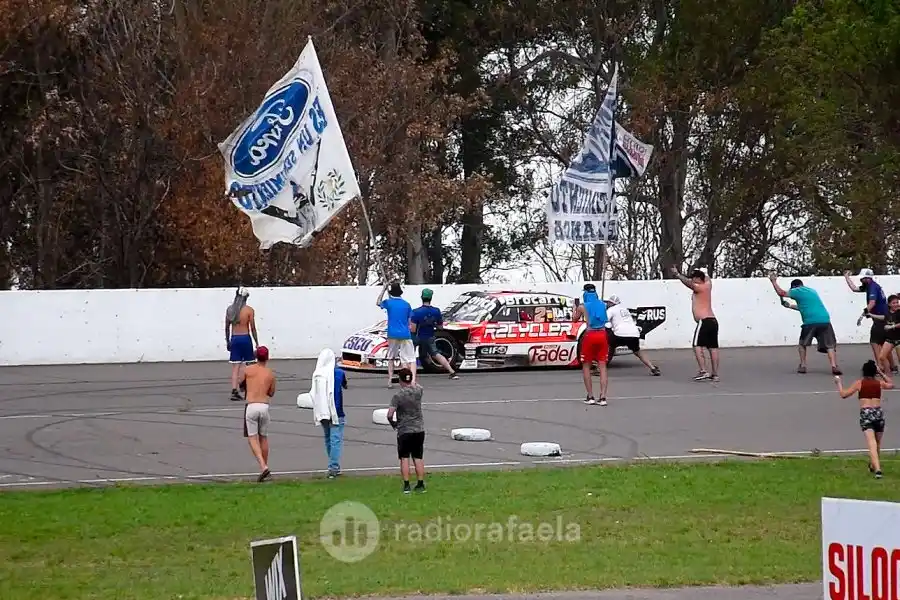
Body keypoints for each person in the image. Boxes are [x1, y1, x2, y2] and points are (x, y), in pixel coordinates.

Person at [769, 275, 842, 375]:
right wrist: (789, 305)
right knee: (830, 345)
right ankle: (834, 366)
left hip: (810, 322)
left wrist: (773, 281)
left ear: (794, 286)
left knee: (802, 344)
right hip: (824, 320)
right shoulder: (812, 291)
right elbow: (804, 307)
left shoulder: (796, 290)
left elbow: (781, 293)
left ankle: (803, 365)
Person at [834, 360, 894, 479]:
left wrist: (838, 383)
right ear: (874, 372)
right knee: (877, 443)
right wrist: (881, 373)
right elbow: (891, 384)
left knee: (871, 442)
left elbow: (843, 394)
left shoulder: (859, 383)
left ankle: (877, 469)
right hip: (878, 412)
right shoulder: (879, 383)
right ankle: (873, 464)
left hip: (866, 413)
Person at [669, 267, 719, 381]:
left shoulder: (698, 287)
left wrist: (677, 274)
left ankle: (703, 371)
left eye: (694, 278)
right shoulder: (708, 284)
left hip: (704, 321)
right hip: (713, 321)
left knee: (696, 345)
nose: (692, 280)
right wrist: (702, 272)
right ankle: (715, 374)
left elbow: (688, 283)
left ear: (699, 279)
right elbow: (706, 277)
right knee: (713, 348)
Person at [844, 269, 896, 374]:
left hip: (880, 319)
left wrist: (863, 314)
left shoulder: (872, 287)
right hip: (883, 318)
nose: (861, 280)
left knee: (874, 342)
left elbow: (872, 302)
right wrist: (847, 277)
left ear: (868, 278)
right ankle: (892, 366)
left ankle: (880, 367)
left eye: (863, 278)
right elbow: (854, 289)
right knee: (884, 343)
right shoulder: (871, 286)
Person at [386, 368, 426, 494]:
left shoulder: (398, 396)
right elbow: (417, 384)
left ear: (400, 380)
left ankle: (407, 485)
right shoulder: (419, 391)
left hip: (404, 430)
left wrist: (394, 424)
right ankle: (420, 483)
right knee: (418, 457)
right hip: (419, 429)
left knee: (404, 458)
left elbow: (389, 414)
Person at [310, 348, 347, 479]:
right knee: (335, 440)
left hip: (323, 411)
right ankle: (333, 467)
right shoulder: (338, 373)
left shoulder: (317, 374)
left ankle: (333, 465)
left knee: (328, 438)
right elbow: (345, 384)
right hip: (337, 411)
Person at [240, 346, 275, 482]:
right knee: (263, 437)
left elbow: (240, 384)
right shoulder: (270, 373)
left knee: (252, 438)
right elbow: (271, 392)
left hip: (251, 405)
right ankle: (265, 468)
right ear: (267, 358)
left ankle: (263, 466)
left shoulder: (248, 370)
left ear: (256, 356)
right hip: (264, 406)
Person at [573, 283, 610, 406]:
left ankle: (590, 396)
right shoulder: (603, 304)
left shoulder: (582, 306)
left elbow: (574, 319)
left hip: (590, 334)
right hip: (602, 334)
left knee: (586, 365)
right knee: (602, 366)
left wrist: (575, 308)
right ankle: (603, 397)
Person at [605, 294, 661, 376]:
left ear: (611, 303)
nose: (607, 304)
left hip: (619, 333)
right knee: (638, 352)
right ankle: (652, 368)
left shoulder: (611, 310)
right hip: (634, 334)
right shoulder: (625, 309)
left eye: (608, 302)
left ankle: (604, 366)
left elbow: (605, 320)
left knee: (611, 347)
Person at [411, 288, 459, 380]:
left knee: (410, 355)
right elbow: (440, 327)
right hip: (430, 336)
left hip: (417, 337)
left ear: (421, 297)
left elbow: (413, 329)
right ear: (431, 298)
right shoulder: (436, 311)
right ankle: (452, 372)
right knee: (436, 354)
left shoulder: (416, 312)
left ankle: (409, 374)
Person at [377, 281, 416, 388]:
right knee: (408, 358)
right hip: (405, 333)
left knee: (391, 357)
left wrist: (383, 289)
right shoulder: (406, 304)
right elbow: (409, 321)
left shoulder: (389, 303)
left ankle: (390, 380)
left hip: (392, 334)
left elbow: (378, 302)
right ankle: (409, 380)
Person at [225, 287, 259, 402]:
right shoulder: (249, 310)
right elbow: (253, 328)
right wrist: (256, 342)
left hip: (235, 338)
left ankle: (234, 390)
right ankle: (245, 385)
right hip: (245, 338)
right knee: (249, 365)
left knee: (236, 367)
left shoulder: (230, 310)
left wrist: (228, 341)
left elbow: (227, 328)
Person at [868, 295, 900, 375]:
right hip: (890, 339)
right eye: (894, 303)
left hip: (899, 340)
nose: (896, 304)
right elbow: (883, 317)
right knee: (882, 357)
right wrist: (871, 315)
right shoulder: (887, 312)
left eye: (897, 302)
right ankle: (887, 373)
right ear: (889, 304)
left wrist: (891, 326)